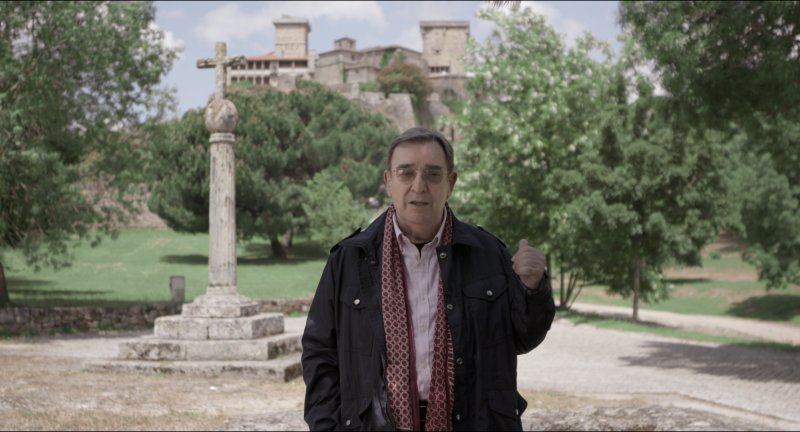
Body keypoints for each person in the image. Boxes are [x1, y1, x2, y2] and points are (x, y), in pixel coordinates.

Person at [302, 127, 556, 431]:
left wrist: (533, 288)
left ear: (450, 183)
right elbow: (320, 353)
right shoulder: (348, 260)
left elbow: (523, 337)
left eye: (433, 174)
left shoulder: (488, 254)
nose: (419, 186)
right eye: (406, 173)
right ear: (388, 181)